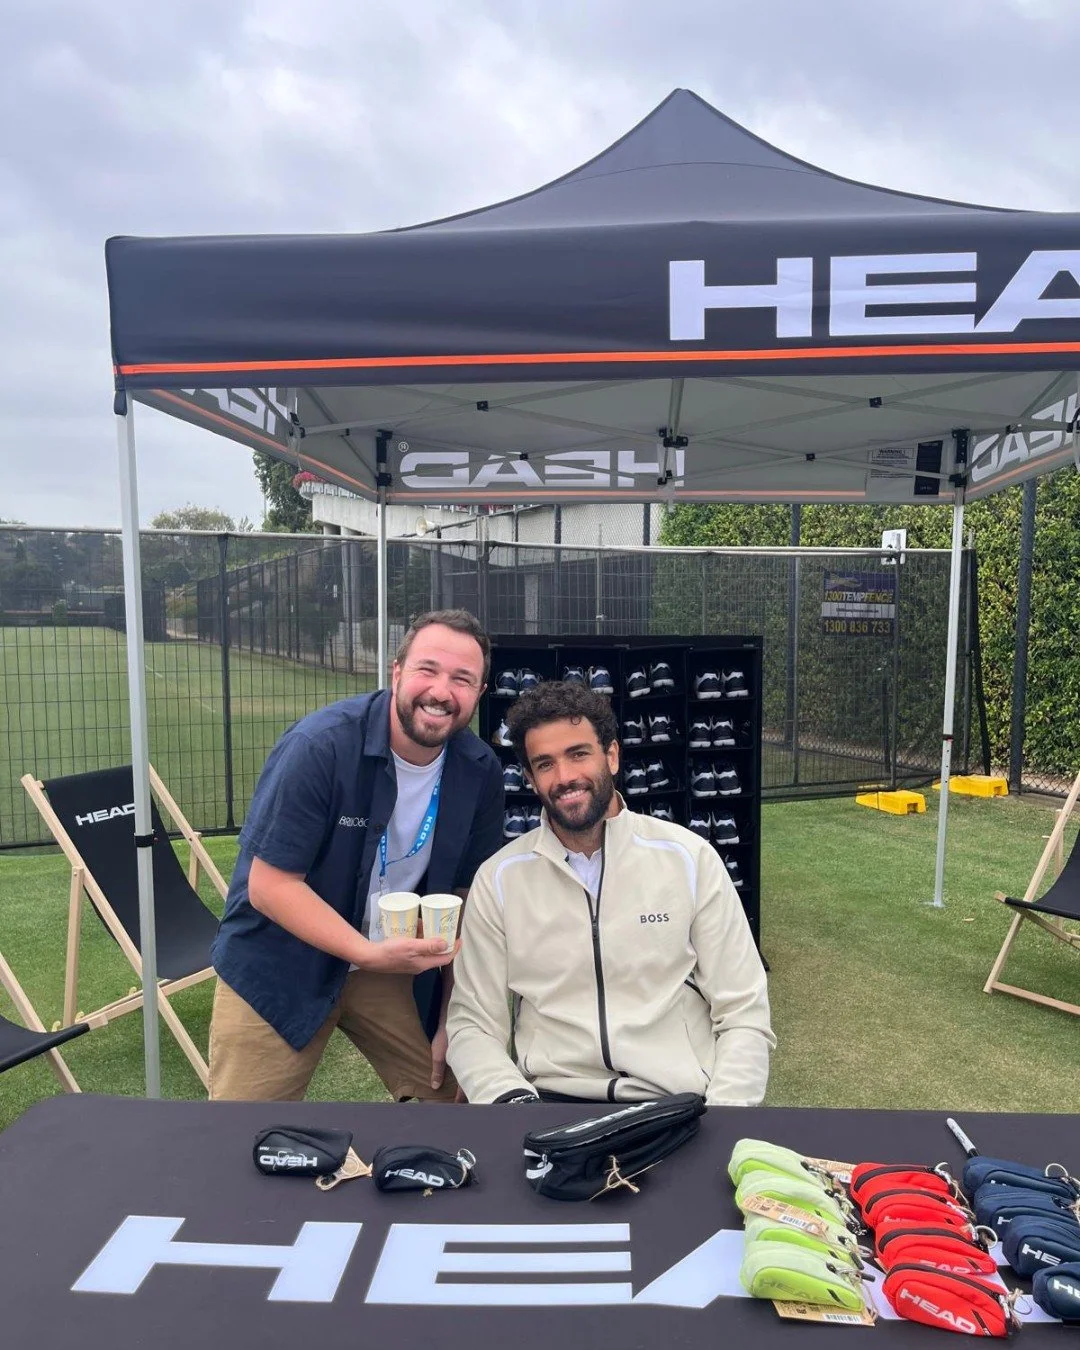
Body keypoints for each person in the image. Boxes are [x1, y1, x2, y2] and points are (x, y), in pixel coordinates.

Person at [209, 609, 504, 1102]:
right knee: (243, 1131)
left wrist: (454, 1018)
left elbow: (464, 900)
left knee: (455, 1102)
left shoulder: (480, 770)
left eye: (462, 679)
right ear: (396, 672)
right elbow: (269, 886)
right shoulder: (319, 746)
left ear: (480, 693)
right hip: (281, 961)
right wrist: (366, 953)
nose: (441, 691)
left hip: (390, 962)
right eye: (427, 669)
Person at [446, 680, 774, 1105]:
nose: (565, 777)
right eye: (545, 764)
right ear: (529, 778)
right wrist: (511, 1103)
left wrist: (724, 1112)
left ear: (612, 756)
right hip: (549, 1101)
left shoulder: (690, 858)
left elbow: (744, 1011)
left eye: (579, 754)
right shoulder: (499, 879)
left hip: (675, 1100)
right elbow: (473, 1024)